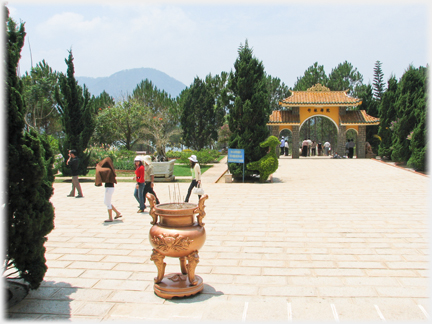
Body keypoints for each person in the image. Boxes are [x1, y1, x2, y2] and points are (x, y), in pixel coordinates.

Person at [95, 157, 122, 223]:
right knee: (106, 202)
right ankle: (117, 213)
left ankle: (110, 218)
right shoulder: (110, 169)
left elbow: (100, 170)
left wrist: (98, 166)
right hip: (109, 188)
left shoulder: (108, 170)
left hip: (109, 188)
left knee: (107, 203)